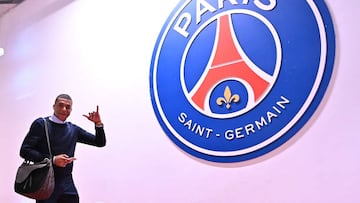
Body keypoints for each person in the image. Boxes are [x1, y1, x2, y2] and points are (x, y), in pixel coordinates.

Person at [19, 94, 106, 203]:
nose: (64, 109)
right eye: (61, 105)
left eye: (68, 107)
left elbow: (100, 142)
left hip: (66, 183)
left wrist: (98, 124)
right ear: (54, 106)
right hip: (45, 182)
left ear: (71, 110)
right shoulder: (41, 124)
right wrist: (53, 160)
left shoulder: (73, 129)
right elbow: (25, 150)